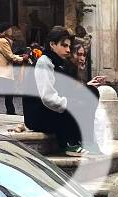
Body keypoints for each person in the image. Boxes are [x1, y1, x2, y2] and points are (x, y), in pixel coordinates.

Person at [22, 26, 84, 154]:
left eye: (69, 46)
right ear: (52, 44)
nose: (68, 50)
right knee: (73, 106)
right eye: (64, 46)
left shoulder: (59, 62)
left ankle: (79, 140)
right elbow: (47, 97)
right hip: (38, 116)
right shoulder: (44, 62)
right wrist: (71, 103)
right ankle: (69, 143)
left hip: (49, 111)